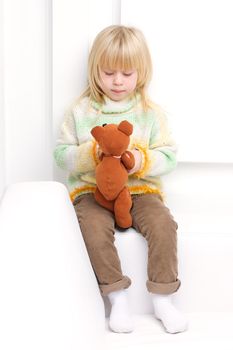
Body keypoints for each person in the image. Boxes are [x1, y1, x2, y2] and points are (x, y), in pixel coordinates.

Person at [54, 25, 188, 334]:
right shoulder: (81, 110)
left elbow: (169, 156)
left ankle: (163, 298)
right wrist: (92, 154)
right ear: (95, 70)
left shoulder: (150, 113)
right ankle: (117, 297)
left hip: (140, 191)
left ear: (141, 72)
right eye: (109, 72)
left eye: (126, 73)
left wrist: (139, 160)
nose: (117, 81)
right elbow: (61, 155)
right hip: (92, 191)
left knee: (163, 224)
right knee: (91, 227)